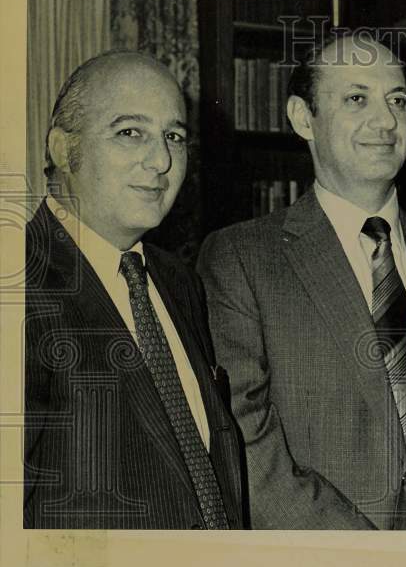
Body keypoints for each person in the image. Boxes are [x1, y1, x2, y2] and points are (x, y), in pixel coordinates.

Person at [197, 32, 406, 529]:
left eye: (397, 100)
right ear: (302, 118)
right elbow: (245, 444)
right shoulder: (241, 260)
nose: (386, 121)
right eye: (357, 99)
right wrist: (368, 563)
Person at [24, 50, 247, 529]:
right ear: (64, 150)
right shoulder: (20, 287)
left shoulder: (178, 281)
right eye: (130, 133)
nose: (162, 159)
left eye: (174, 136)